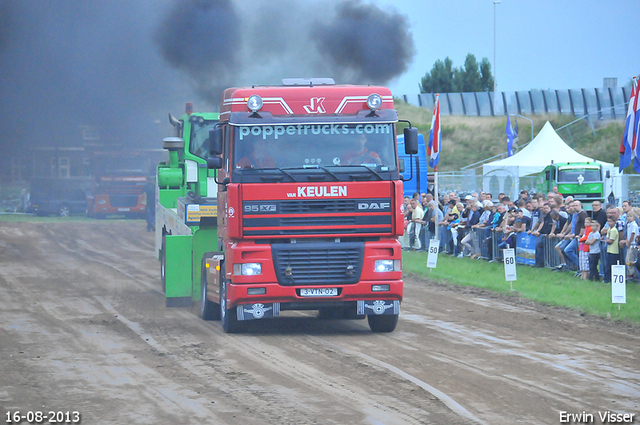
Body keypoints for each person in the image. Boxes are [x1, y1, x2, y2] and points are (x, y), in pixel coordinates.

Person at [532, 202, 553, 268]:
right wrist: (538, 231)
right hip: (541, 234)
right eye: (544, 208)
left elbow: (552, 225)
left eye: (547, 208)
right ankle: (538, 263)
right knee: (538, 247)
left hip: (548, 235)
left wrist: (549, 233)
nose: (545, 209)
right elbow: (541, 224)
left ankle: (547, 264)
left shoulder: (552, 215)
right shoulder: (543, 215)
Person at [603, 216, 620, 283]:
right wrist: (607, 240)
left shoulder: (614, 230)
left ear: (614, 222)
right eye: (608, 221)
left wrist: (607, 240)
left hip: (614, 251)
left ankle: (611, 279)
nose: (609, 223)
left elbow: (610, 240)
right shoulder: (609, 229)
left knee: (611, 266)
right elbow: (607, 238)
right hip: (609, 250)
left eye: (611, 221)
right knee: (607, 265)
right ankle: (607, 279)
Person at [624, 211, 639, 279]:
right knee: (628, 259)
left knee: (630, 259)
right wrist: (627, 241)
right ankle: (631, 273)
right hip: (629, 244)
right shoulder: (628, 224)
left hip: (633, 244)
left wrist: (629, 242)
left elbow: (633, 234)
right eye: (628, 216)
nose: (629, 218)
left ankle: (632, 274)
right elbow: (628, 234)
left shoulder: (634, 225)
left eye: (631, 216)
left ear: (634, 217)